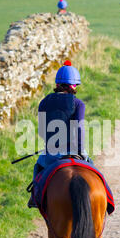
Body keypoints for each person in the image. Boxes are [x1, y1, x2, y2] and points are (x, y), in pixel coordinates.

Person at [28, 60, 92, 208]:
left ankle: (34, 198)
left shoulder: (44, 102)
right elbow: (79, 129)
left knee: (38, 167)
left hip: (52, 153)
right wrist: (80, 151)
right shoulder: (78, 104)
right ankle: (107, 198)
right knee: (91, 166)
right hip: (74, 151)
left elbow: (43, 131)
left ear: (57, 84)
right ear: (73, 85)